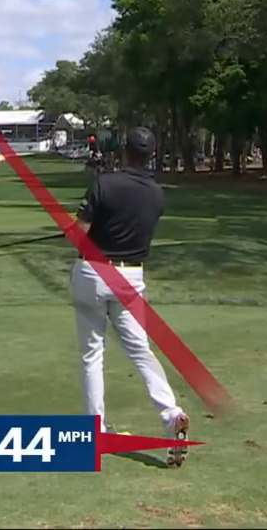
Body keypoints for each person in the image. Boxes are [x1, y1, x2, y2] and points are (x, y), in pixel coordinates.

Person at [70, 126, 190, 466]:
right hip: (131, 277)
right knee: (139, 349)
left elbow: (79, 234)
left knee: (92, 354)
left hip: (94, 272)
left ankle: (95, 430)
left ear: (124, 151)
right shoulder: (157, 194)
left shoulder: (104, 183)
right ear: (150, 154)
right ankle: (171, 414)